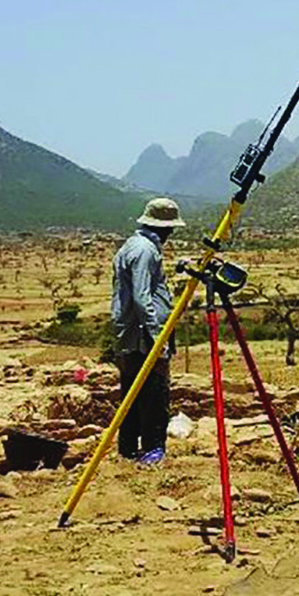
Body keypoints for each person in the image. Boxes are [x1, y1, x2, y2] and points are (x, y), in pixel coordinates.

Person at [111, 197, 185, 465]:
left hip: (130, 334)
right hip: (144, 336)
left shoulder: (131, 245)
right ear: (164, 228)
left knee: (132, 391)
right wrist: (158, 338)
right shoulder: (145, 250)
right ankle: (153, 450)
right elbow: (143, 298)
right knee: (154, 394)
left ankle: (128, 449)